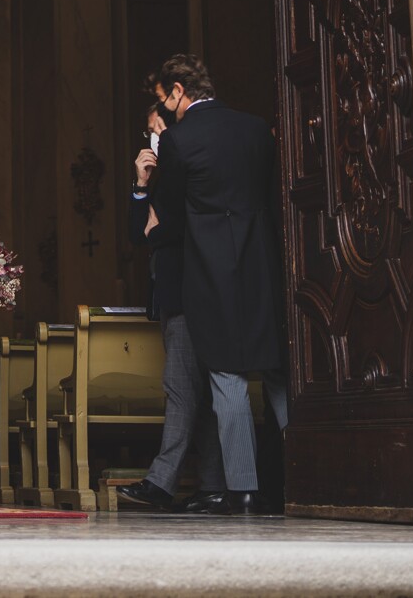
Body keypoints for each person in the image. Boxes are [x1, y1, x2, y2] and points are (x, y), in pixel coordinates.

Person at [148, 53, 288, 516]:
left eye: (165, 101)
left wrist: (150, 225)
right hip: (262, 264)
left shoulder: (180, 141)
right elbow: (273, 199)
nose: (167, 109)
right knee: (275, 374)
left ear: (177, 92)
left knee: (226, 374)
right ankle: (304, 475)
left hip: (211, 272)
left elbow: (168, 216)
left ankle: (244, 488)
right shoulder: (254, 129)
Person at [118, 104, 228, 513]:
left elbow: (181, 229)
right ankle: (214, 485)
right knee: (195, 396)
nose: (153, 139)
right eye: (149, 132)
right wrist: (141, 184)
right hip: (170, 295)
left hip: (191, 293)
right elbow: (136, 234)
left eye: (157, 129)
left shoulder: (192, 172)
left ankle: (161, 483)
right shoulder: (161, 180)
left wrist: (156, 230)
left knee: (179, 389)